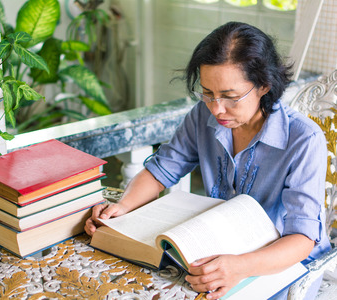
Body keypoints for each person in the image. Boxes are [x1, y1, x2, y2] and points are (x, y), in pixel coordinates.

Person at [84, 22, 330, 300]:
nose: (217, 109)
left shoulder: (303, 139)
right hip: (221, 248)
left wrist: (240, 267)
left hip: (282, 265)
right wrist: (122, 207)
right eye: (207, 93)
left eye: (230, 97)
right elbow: (161, 170)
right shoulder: (202, 116)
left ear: (264, 85)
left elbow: (302, 239)